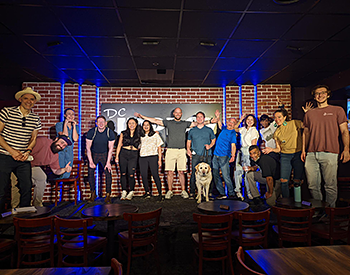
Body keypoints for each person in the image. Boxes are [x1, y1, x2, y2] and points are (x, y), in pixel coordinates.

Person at [135, 108, 214, 200]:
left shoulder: (185, 123)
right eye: (176, 112)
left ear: (181, 114)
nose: (177, 114)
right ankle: (169, 191)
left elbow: (198, 123)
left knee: (181, 172)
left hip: (181, 150)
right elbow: (156, 121)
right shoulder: (169, 123)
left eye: (179, 112)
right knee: (170, 172)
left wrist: (211, 121)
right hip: (171, 150)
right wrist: (142, 116)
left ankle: (183, 191)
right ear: (173, 113)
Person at [302, 84, 350, 207]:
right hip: (311, 154)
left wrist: (346, 149)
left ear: (328, 94)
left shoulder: (337, 110)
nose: (320, 95)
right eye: (317, 93)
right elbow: (306, 133)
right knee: (312, 185)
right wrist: (303, 150)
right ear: (314, 96)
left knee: (330, 185)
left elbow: (344, 131)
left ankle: (330, 212)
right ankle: (319, 210)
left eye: (323, 92)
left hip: (330, 152)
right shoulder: (309, 114)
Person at [0, 87, 41, 212]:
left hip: (23, 157)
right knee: (1, 189)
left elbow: (34, 138)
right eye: (26, 98)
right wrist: (12, 151)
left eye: (32, 99)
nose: (29, 101)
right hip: (5, 155)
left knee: (26, 187)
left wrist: (27, 151)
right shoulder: (7, 112)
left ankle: (24, 219)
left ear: (34, 102)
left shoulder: (35, 118)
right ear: (20, 99)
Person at [263, 108, 304, 198]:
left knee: (297, 181)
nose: (277, 120)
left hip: (297, 154)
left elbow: (307, 126)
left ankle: (298, 201)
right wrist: (271, 150)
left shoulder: (294, 123)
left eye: (279, 117)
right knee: (283, 180)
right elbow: (279, 149)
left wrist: (308, 114)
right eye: (275, 118)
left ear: (285, 117)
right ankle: (286, 203)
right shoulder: (277, 132)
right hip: (285, 156)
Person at [30, 135, 72, 206]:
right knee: (20, 183)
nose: (61, 146)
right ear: (56, 139)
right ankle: (16, 206)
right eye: (61, 142)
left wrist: (64, 169)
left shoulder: (55, 156)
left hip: (33, 166)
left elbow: (56, 171)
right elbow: (26, 149)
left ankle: (37, 205)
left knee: (42, 178)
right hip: (21, 162)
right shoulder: (43, 142)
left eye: (64, 145)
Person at [187, 111, 216, 199]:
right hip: (196, 155)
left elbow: (213, 140)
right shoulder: (192, 130)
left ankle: (209, 193)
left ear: (204, 119)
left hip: (207, 154)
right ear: (196, 119)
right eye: (198, 117)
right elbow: (188, 141)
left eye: (201, 117)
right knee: (194, 174)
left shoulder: (209, 130)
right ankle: (192, 192)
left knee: (208, 173)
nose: (199, 118)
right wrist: (188, 149)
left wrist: (210, 146)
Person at [86, 116, 115, 203]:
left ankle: (108, 195)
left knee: (108, 172)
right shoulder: (91, 132)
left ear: (106, 123)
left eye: (103, 122)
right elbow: (88, 148)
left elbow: (110, 149)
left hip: (105, 154)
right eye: (99, 122)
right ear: (96, 123)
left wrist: (108, 162)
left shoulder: (110, 133)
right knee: (90, 172)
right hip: (94, 153)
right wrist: (91, 161)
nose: (101, 124)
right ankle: (93, 193)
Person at [212, 110, 237, 199]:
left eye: (233, 122)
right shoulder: (224, 128)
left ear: (234, 125)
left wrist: (233, 156)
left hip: (224, 156)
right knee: (215, 175)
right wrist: (218, 116)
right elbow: (219, 124)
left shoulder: (233, 133)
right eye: (230, 121)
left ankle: (231, 193)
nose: (230, 123)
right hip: (215, 155)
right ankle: (221, 193)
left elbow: (233, 145)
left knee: (226, 176)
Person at [234, 113, 259, 200]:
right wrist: (240, 120)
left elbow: (254, 144)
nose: (249, 121)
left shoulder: (254, 130)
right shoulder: (243, 129)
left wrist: (252, 155)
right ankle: (238, 191)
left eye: (251, 120)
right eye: (248, 119)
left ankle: (249, 192)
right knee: (238, 171)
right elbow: (234, 128)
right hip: (241, 151)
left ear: (254, 121)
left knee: (247, 173)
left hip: (248, 151)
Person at [116, 117, 141, 200]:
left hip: (133, 155)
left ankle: (131, 191)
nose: (131, 125)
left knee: (131, 174)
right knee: (123, 173)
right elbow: (119, 145)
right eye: (129, 123)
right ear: (127, 124)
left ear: (136, 124)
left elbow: (148, 135)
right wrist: (116, 156)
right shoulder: (123, 133)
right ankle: (124, 191)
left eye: (133, 123)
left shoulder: (139, 133)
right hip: (123, 154)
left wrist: (155, 133)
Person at [139, 120, 164, 201]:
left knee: (155, 175)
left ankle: (160, 193)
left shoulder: (155, 135)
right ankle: (147, 192)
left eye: (147, 125)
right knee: (144, 175)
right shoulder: (140, 136)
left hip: (153, 156)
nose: (146, 126)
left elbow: (159, 148)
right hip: (142, 157)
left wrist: (160, 159)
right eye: (144, 125)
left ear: (150, 126)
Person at [55, 108, 78, 179]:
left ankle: (61, 188)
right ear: (65, 115)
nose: (71, 116)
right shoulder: (59, 125)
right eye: (69, 114)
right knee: (60, 173)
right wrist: (65, 123)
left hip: (69, 153)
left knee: (67, 173)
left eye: (72, 114)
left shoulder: (76, 127)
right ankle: (58, 189)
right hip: (60, 152)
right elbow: (65, 136)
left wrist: (74, 126)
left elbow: (75, 139)